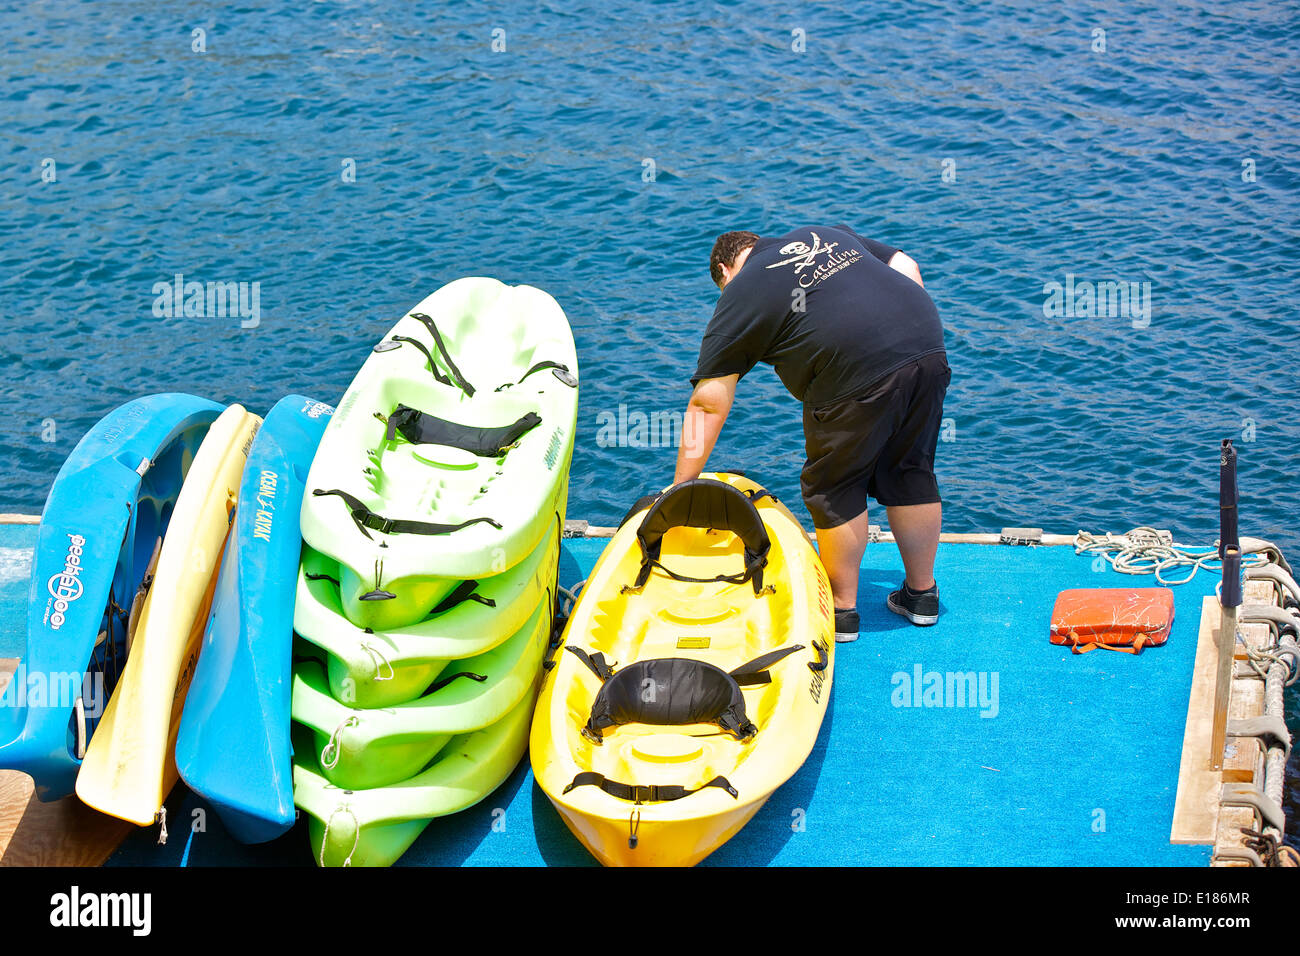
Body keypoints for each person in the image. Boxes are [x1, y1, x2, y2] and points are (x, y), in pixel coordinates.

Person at [673, 224, 950, 641]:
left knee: (834, 484)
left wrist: (681, 488)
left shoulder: (741, 289)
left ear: (725, 271)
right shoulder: (822, 233)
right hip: (926, 341)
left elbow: (709, 402)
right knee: (909, 468)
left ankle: (842, 613)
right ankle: (922, 596)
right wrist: (895, 332)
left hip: (854, 366)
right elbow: (906, 265)